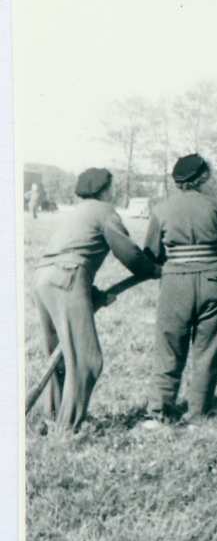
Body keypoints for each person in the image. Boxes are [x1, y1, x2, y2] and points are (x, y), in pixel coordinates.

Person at [31, 168, 161, 433]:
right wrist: (154, 269)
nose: (114, 191)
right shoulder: (104, 211)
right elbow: (128, 253)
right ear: (103, 190)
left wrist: (96, 296)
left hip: (43, 278)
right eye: (111, 187)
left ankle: (53, 418)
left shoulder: (77, 211)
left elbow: (69, 254)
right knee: (87, 360)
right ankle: (69, 428)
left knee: (60, 354)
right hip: (68, 277)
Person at [141, 154, 217, 427]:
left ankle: (158, 413)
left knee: (169, 348)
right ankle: (198, 414)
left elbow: (152, 254)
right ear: (203, 177)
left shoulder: (161, 209)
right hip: (213, 282)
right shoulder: (216, 207)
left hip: (175, 283)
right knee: (208, 350)